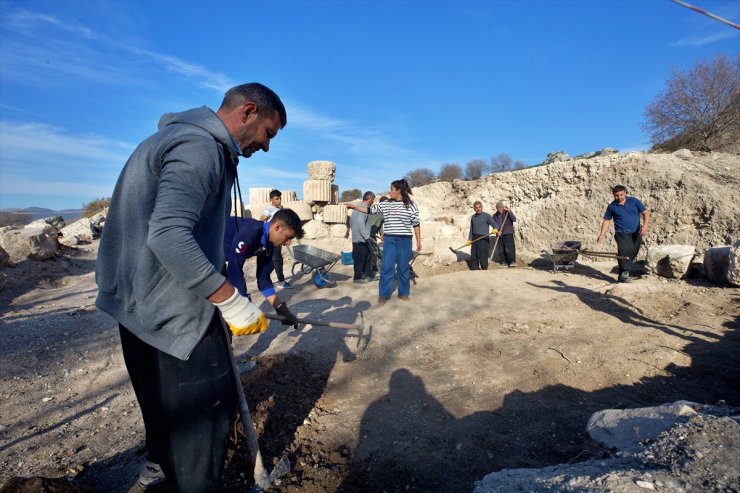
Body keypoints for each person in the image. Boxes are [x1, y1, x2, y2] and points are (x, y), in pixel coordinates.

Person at [95, 82, 287, 493]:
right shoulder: (199, 148)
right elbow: (167, 234)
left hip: (139, 308)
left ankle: (159, 470)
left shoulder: (169, 138)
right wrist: (229, 300)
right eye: (269, 133)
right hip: (175, 312)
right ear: (248, 112)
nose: (267, 146)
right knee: (204, 426)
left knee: (163, 413)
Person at [345, 179, 421, 304]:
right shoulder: (386, 204)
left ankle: (403, 293)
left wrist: (418, 241)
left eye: (391, 189)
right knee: (387, 267)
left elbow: (416, 224)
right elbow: (370, 210)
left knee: (403, 267)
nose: (389, 191)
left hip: (405, 240)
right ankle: (383, 294)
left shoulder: (411, 205)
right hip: (390, 240)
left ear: (399, 190)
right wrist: (355, 207)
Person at [225, 209, 304, 325]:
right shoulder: (250, 232)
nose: (288, 243)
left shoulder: (269, 244)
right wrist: (243, 304)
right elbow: (234, 269)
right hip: (198, 255)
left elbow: (264, 280)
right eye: (288, 237)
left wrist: (281, 310)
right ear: (277, 227)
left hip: (216, 259)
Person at [597, 185, 650, 283]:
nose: (619, 197)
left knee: (633, 252)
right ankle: (624, 274)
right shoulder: (612, 206)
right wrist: (602, 235)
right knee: (625, 252)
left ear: (625, 192)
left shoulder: (634, 201)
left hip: (637, 233)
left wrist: (645, 226)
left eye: (621, 194)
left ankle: (623, 273)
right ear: (613, 195)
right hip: (622, 233)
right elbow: (607, 221)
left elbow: (646, 213)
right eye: (616, 195)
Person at [259, 189, 291, 289]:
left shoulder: (281, 209)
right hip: (272, 238)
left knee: (273, 260)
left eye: (280, 198)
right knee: (277, 259)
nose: (279, 200)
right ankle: (281, 282)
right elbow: (262, 220)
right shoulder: (269, 210)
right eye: (277, 199)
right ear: (271, 199)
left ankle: (264, 280)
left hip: (279, 237)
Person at [350, 191, 376, 283]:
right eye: (373, 200)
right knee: (360, 259)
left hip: (358, 237)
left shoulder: (358, 206)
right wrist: (366, 236)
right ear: (369, 199)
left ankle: (367, 275)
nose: (373, 202)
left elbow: (352, 223)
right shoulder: (364, 207)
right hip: (361, 238)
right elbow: (361, 222)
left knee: (366, 257)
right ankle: (357, 278)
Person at [466, 201, 498, 270]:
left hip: (484, 238)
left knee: (483, 255)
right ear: (474, 209)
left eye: (479, 207)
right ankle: (475, 268)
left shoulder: (487, 216)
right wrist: (469, 239)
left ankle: (484, 269)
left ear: (482, 207)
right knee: (474, 254)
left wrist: (495, 229)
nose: (478, 209)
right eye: (476, 208)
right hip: (475, 238)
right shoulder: (473, 217)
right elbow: (471, 229)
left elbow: (494, 224)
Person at [492, 202, 517, 267]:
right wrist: (497, 232)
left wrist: (510, 211)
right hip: (499, 234)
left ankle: (512, 261)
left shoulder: (507, 212)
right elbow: (494, 225)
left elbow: (514, 219)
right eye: (498, 209)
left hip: (508, 233)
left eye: (500, 208)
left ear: (503, 208)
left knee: (509, 248)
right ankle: (504, 262)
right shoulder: (495, 216)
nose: (499, 210)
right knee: (501, 249)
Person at [367, 196, 387, 276]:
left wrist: (382, 234)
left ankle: (374, 267)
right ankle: (367, 270)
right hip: (367, 232)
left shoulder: (384, 212)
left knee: (375, 251)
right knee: (369, 252)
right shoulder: (374, 208)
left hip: (373, 234)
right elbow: (366, 216)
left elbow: (382, 224)